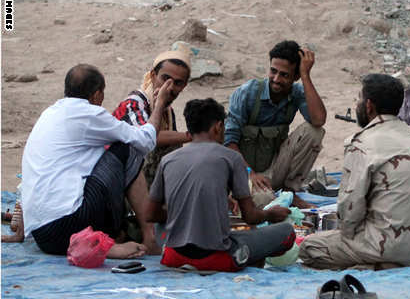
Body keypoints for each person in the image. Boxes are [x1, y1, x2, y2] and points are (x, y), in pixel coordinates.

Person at [20, 64, 172, 257]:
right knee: (128, 147)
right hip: (69, 225)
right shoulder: (90, 113)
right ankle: (149, 238)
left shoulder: (49, 113)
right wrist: (159, 105)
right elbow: (144, 140)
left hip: (43, 237)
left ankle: (104, 241)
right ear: (97, 94)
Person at [299, 74, 410, 269]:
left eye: (359, 99)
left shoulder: (361, 143)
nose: (357, 104)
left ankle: (379, 265)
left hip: (392, 246)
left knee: (310, 247)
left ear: (369, 106)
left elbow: (349, 215)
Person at [145, 98, 295, 272]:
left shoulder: (168, 160)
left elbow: (150, 214)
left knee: (162, 225)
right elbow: (250, 217)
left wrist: (183, 213)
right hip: (216, 258)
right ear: (217, 127)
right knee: (286, 232)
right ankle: (246, 259)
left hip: (173, 256)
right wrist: (270, 214)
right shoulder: (231, 157)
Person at [224, 41, 326, 208]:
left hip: (273, 171)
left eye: (285, 75)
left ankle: (289, 193)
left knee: (313, 131)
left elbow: (319, 120)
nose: (276, 79)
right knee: (264, 202)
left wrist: (306, 76)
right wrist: (250, 174)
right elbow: (229, 142)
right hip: (244, 173)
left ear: (295, 77)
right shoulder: (247, 93)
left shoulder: (297, 92)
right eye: (273, 71)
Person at [112, 49, 192, 188]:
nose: (170, 87)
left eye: (178, 83)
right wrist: (192, 136)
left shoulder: (168, 112)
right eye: (165, 79)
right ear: (153, 75)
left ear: (184, 86)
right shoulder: (134, 103)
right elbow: (148, 137)